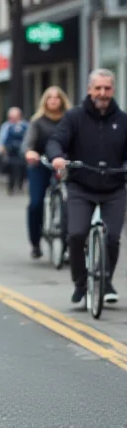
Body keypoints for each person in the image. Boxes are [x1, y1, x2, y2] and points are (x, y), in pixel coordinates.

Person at [46, 69, 127, 306]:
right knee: (76, 234)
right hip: (81, 186)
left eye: (107, 88)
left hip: (114, 187)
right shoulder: (74, 117)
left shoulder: (122, 120)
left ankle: (105, 281)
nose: (102, 93)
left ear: (113, 90)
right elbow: (55, 141)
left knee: (112, 238)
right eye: (98, 88)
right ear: (90, 89)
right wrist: (57, 157)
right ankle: (81, 283)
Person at [22, 86, 72, 259]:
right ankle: (35, 242)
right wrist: (30, 152)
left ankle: (70, 242)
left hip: (64, 164)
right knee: (36, 203)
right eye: (49, 97)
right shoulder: (37, 121)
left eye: (57, 97)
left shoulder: (70, 119)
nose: (53, 100)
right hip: (40, 164)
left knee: (73, 201)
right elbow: (28, 143)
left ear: (62, 100)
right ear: (45, 101)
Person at [0, 107, 29, 194]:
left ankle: (20, 185)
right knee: (11, 169)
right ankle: (11, 187)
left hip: (22, 152)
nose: (13, 119)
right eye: (11, 117)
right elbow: (2, 138)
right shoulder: (7, 126)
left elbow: (29, 138)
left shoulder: (25, 126)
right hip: (11, 152)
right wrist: (1, 148)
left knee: (22, 169)